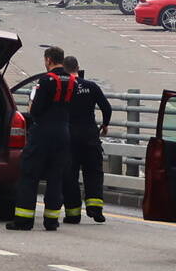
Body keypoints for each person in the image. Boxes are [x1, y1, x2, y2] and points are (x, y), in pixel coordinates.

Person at [7, 46, 75, 231]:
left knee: (29, 174)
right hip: (63, 133)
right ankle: (51, 220)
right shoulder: (72, 81)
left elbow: (35, 110)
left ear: (48, 60)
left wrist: (31, 108)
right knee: (55, 177)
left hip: (43, 133)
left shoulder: (45, 81)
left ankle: (23, 220)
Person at [61, 55, 111, 224]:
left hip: (69, 136)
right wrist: (105, 125)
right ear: (78, 67)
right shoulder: (91, 86)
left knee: (70, 175)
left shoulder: (62, 86)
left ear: (63, 68)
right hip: (90, 135)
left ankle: (73, 214)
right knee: (94, 172)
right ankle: (95, 209)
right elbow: (107, 107)